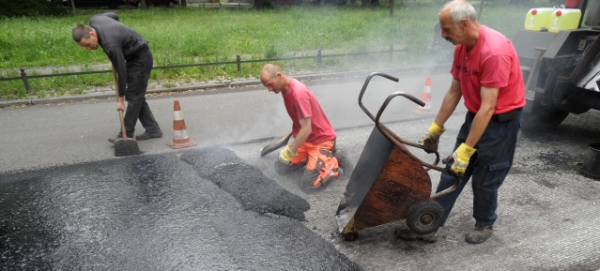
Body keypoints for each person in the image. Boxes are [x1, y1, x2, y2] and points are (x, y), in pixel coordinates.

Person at [397, 0, 525, 244]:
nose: (443, 35)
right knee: (452, 170)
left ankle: (485, 223)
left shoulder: (493, 52)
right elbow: (454, 92)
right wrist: (435, 129)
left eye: (446, 29)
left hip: (500, 121)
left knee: (486, 178)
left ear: (464, 24)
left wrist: (467, 149)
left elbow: (489, 107)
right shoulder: (462, 48)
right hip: (476, 115)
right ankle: (432, 225)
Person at [72, 12, 162, 143]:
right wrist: (120, 33)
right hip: (132, 55)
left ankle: (125, 134)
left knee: (133, 97)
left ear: (92, 34)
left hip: (141, 57)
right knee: (136, 95)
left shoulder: (111, 45)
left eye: (88, 44)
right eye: (84, 46)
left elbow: (122, 72)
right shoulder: (95, 20)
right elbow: (113, 15)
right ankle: (153, 129)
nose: (88, 49)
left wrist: (120, 99)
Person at [260, 64, 347, 192]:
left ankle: (333, 163)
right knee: (281, 167)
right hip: (306, 140)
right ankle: (312, 160)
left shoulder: (298, 93)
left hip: (321, 140)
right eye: (266, 86)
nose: (269, 89)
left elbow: (306, 129)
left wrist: (290, 150)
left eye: (270, 84)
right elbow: (301, 121)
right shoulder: (285, 89)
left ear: (278, 76)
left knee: (308, 185)